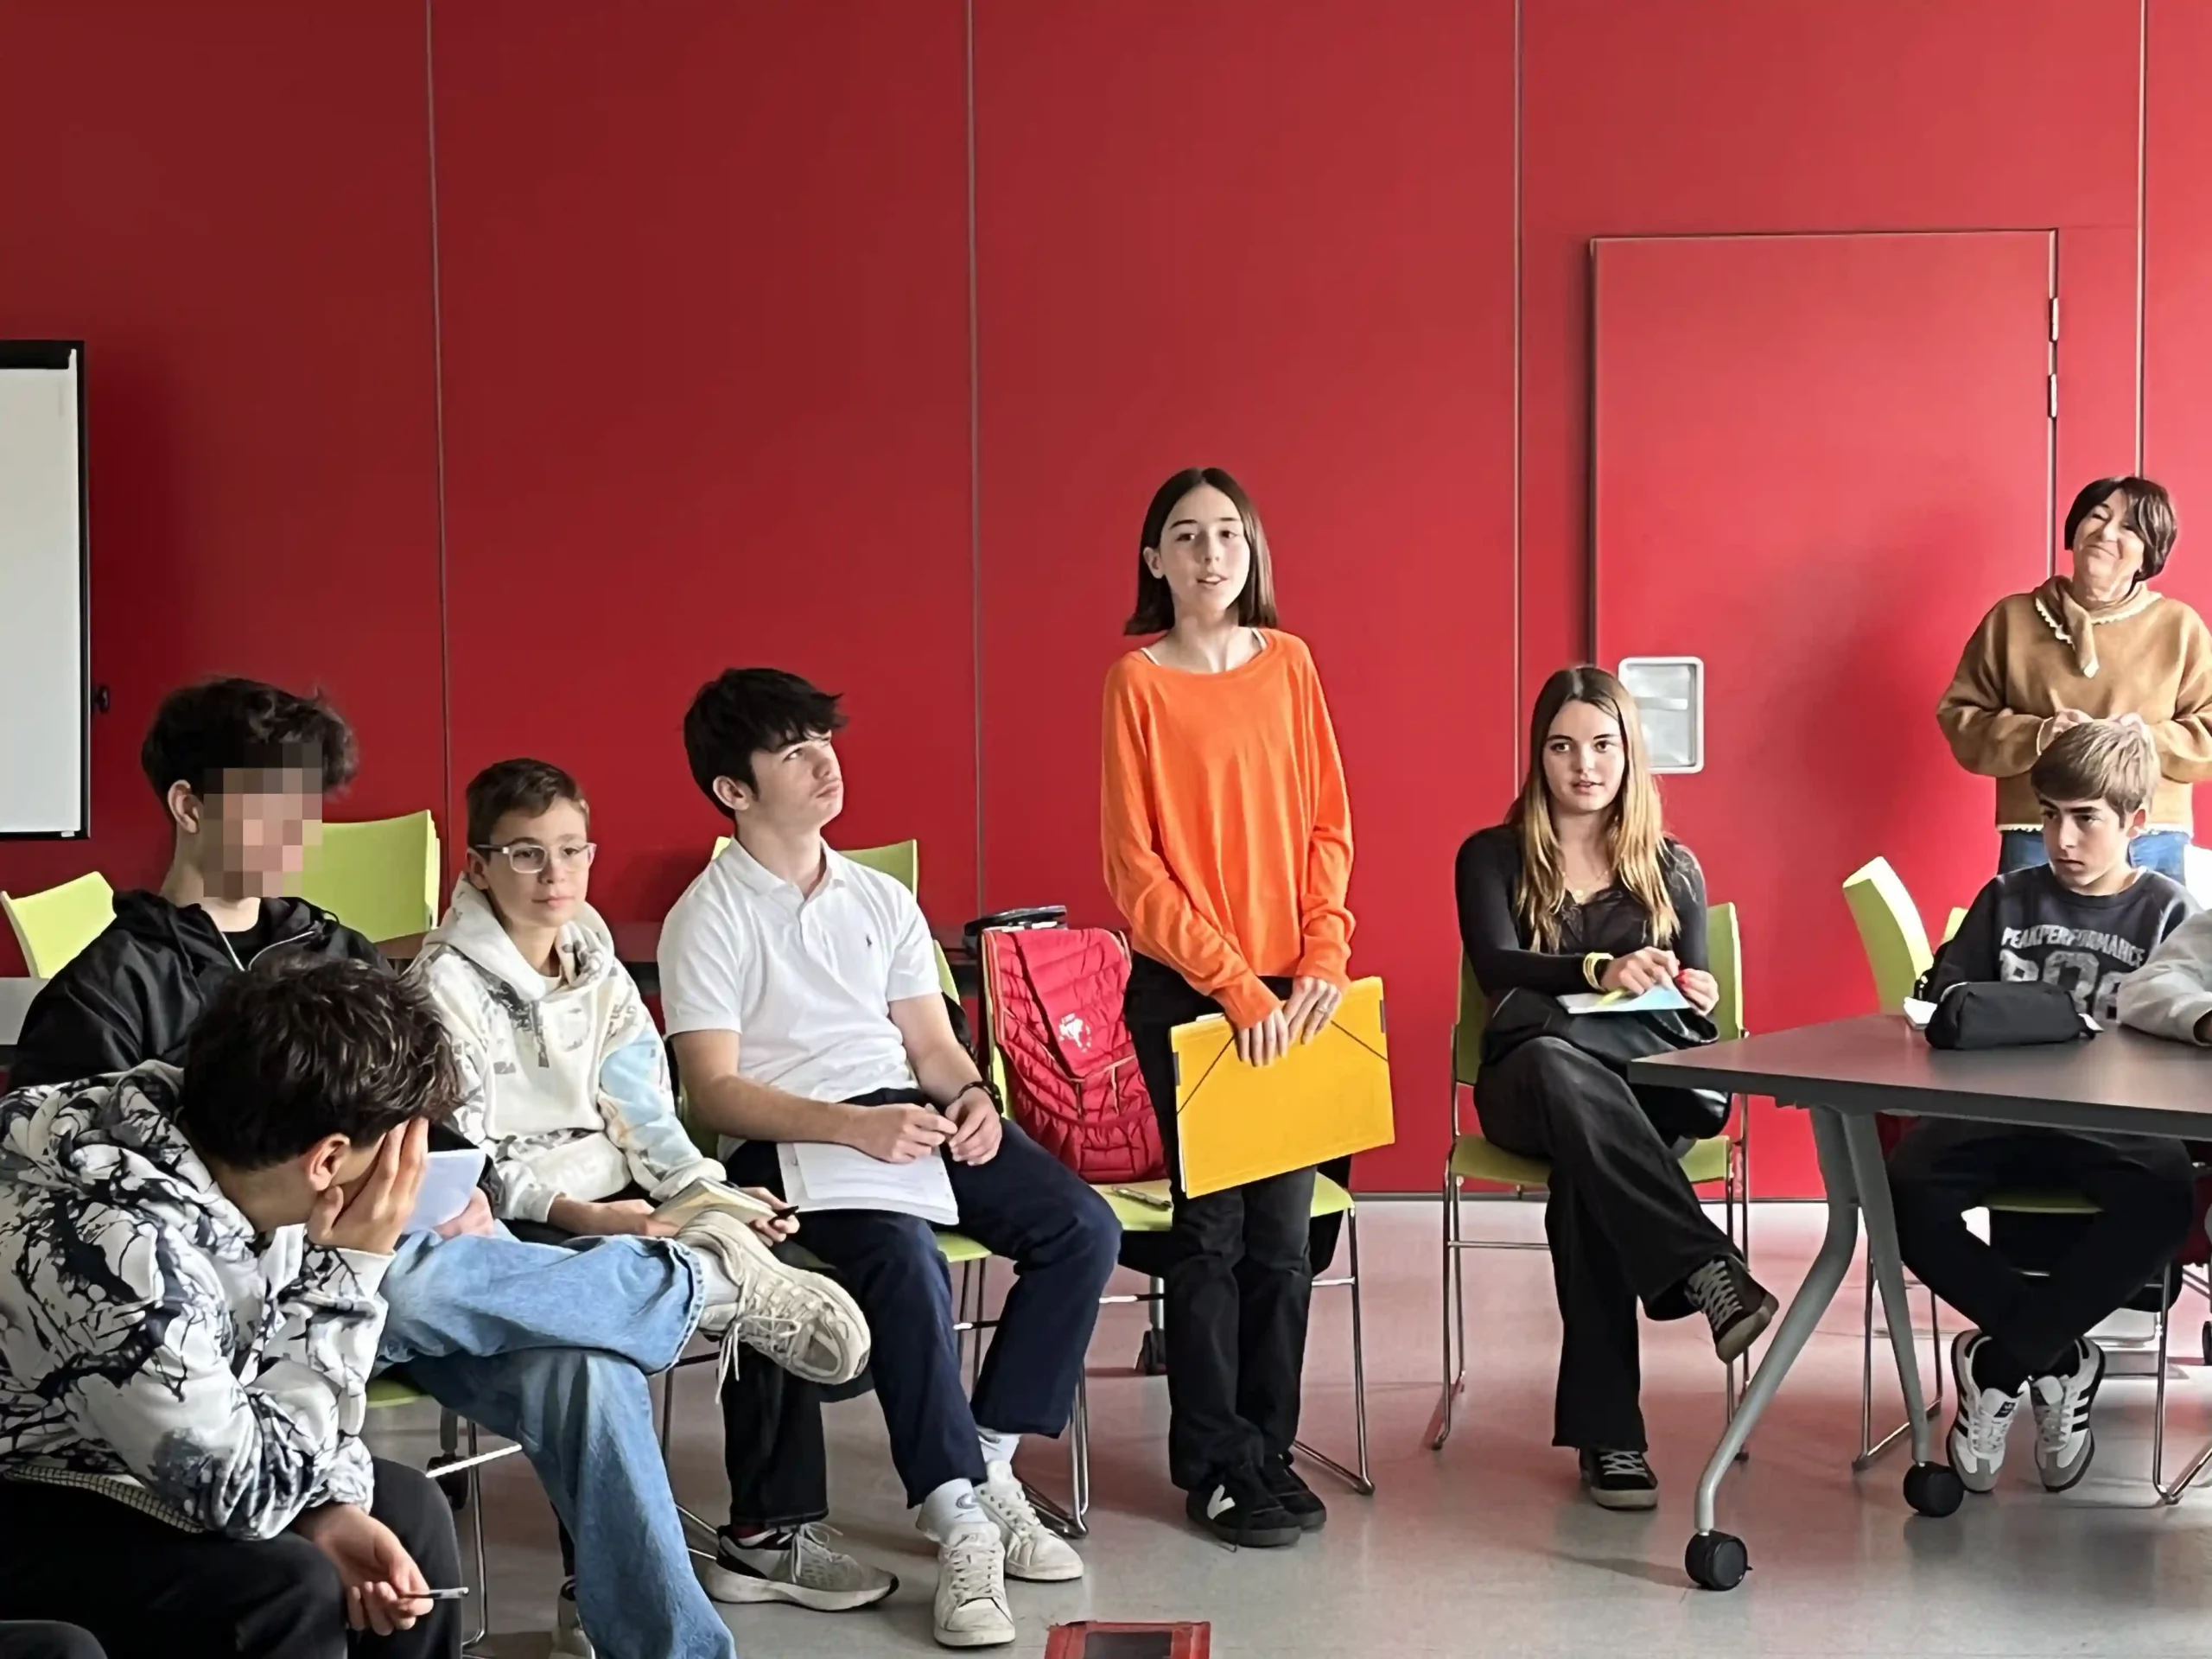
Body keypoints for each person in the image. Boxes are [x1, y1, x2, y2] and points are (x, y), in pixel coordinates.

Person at [9, 677, 867, 1659]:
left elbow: (434, 1116)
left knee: (583, 1372)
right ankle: (694, 1286)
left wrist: (467, 1194)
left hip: (394, 1255)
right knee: (415, 1275)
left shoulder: (328, 947)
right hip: (241, 1303)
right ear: (190, 805)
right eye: (269, 802)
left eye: (308, 804)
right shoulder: (105, 996)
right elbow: (99, 1227)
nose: (299, 830)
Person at [661, 667, 1120, 1650]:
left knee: (1082, 1226)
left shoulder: (880, 895)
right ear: (733, 789)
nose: (824, 764)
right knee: (906, 1260)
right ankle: (957, 1518)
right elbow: (713, 1092)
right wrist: (849, 1127)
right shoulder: (708, 914)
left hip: (910, 1117)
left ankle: (989, 1458)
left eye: (824, 741)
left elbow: (932, 1045)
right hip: (794, 1139)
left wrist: (971, 1098)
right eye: (794, 752)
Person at [410, 757, 895, 1616]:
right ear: (478, 866)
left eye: (572, 850)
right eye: (526, 854)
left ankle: (765, 1538)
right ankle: (587, 1590)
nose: (554, 874)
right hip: (522, 1213)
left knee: (762, 1256)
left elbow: (643, 1109)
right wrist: (590, 1216)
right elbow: (466, 1161)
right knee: (592, 1349)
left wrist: (707, 1193)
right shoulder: (442, 984)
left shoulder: (595, 958)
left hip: (620, 1191)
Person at [0, 959, 461, 1659]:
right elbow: (247, 1495)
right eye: (397, 1152)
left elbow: (272, 1391)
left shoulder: (232, 1150)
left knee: (407, 1515)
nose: (404, 1178)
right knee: (285, 1584)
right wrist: (347, 1274)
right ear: (328, 1160)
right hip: (30, 1484)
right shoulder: (119, 1251)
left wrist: (329, 1506)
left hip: (116, 1450)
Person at [1099, 466, 1352, 1549]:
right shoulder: (1136, 684)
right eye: (1188, 536)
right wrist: (1236, 986)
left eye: (1228, 534)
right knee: (1210, 1235)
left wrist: (1322, 952)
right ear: (1154, 560)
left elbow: (1327, 826)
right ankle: (1212, 1464)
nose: (1211, 555)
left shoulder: (1289, 664)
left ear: (1252, 551)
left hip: (1293, 994)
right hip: (1190, 994)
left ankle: (1268, 1449)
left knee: (1284, 1241)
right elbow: (1136, 872)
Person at [1454, 664, 1773, 1510]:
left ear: (1630, 752)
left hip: (1639, 1093)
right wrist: (1598, 969)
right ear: (1538, 755)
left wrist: (1696, 988)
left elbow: (1693, 1002)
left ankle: (1612, 1438)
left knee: (1587, 1177)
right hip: (1529, 1084)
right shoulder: (1491, 855)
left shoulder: (1672, 867)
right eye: (1562, 747)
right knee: (1558, 1070)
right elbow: (1497, 966)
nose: (1584, 766)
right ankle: (1705, 1266)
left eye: (1602, 745)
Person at [1894, 720, 2198, 1493]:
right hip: (1994, 1117)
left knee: (2168, 1197)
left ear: (2135, 822)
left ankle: (1999, 1365)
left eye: (2086, 818)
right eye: (2050, 815)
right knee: (1900, 1191)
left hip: (2114, 1123)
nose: (2062, 838)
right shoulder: (2005, 897)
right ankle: (2057, 1356)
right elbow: (1943, 1005)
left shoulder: (2168, 912)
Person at [1938, 474, 2212, 877]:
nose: (2107, 533)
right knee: (2029, 921)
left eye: (2129, 527)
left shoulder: (2180, 627)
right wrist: (2039, 735)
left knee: (2158, 923)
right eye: (2097, 516)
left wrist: (2144, 740)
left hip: (2148, 835)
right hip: (2039, 830)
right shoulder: (2012, 619)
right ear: (2075, 529)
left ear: (2149, 553)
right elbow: (1962, 718)